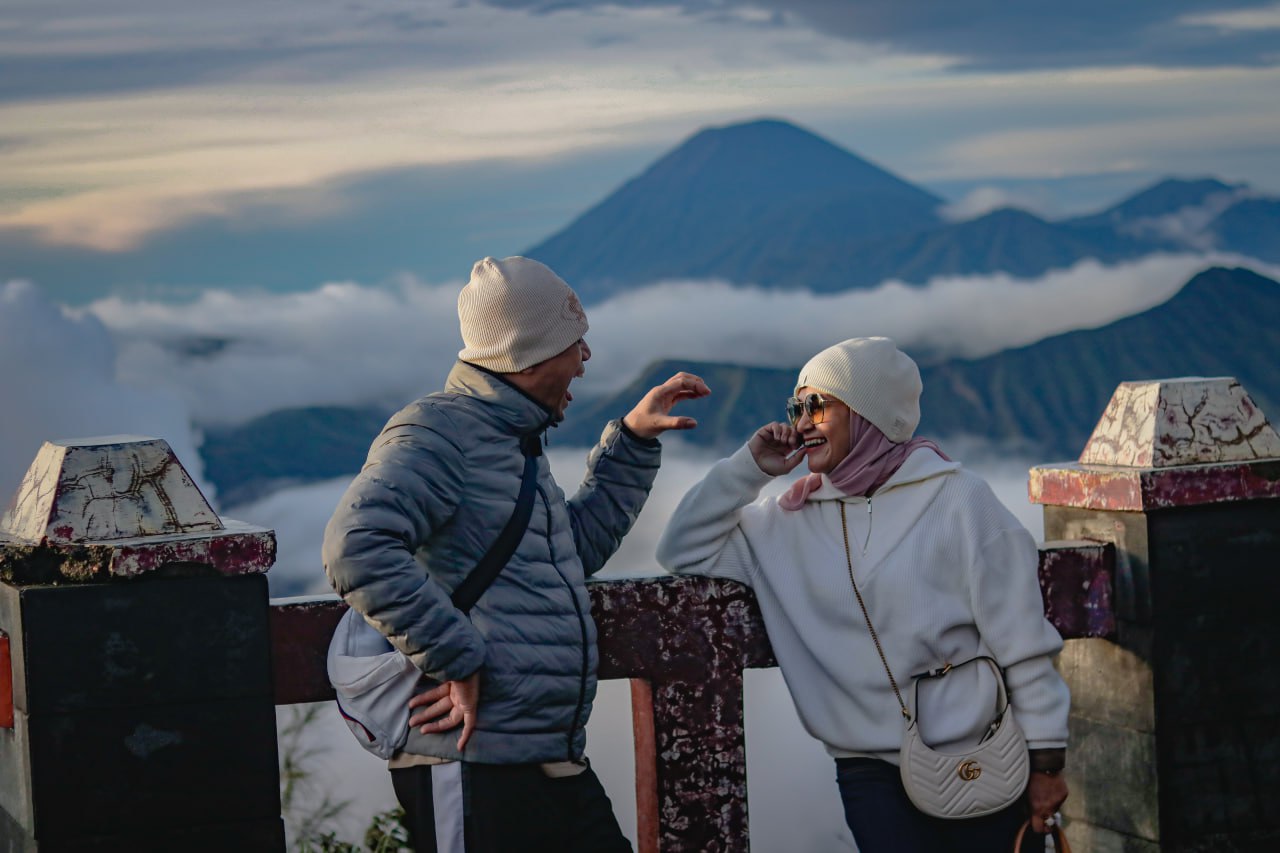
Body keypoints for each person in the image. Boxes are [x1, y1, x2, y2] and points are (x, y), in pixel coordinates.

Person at [323, 256, 709, 853]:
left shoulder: (509, 441)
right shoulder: (438, 433)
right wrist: (456, 658)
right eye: (573, 342)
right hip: (469, 761)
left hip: (542, 755)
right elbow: (356, 548)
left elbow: (567, 556)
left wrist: (632, 443)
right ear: (530, 353)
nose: (585, 358)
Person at [656, 337, 1069, 852]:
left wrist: (1047, 761)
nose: (802, 422)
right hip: (869, 773)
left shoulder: (960, 501)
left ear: (871, 412)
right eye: (796, 407)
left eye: (818, 405)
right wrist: (749, 467)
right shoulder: (786, 521)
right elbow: (681, 548)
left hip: (981, 756)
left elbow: (1022, 640)